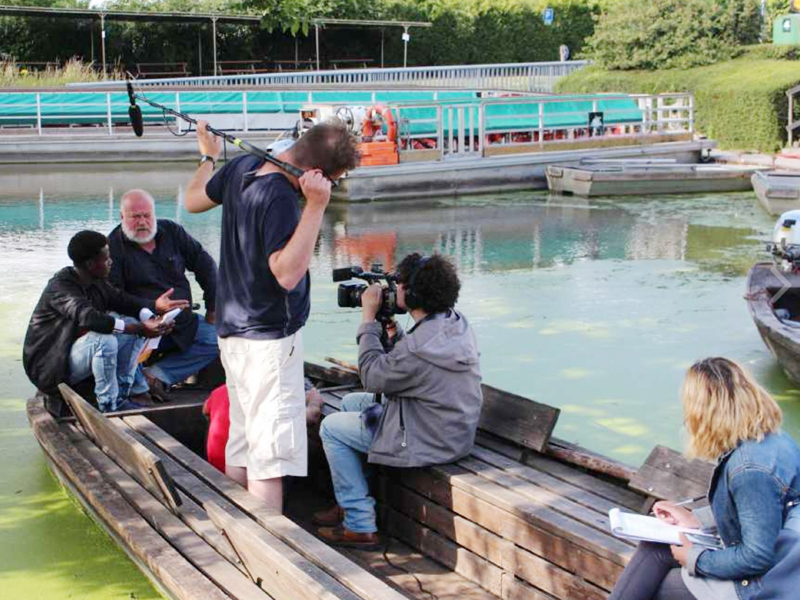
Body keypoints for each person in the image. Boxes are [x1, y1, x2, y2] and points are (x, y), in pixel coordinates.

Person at [184, 118, 359, 510]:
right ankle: (269, 554)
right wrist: (315, 206)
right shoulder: (280, 197)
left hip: (233, 332)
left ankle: (238, 534)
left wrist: (207, 157)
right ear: (316, 174)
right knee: (268, 458)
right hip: (268, 341)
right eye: (335, 180)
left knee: (242, 442)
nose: (333, 187)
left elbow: (193, 200)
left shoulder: (243, 166)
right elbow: (286, 273)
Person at [314, 253, 483, 549]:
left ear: (413, 293)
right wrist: (395, 333)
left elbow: (373, 377)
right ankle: (349, 500)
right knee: (352, 403)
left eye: (399, 284)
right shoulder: (455, 323)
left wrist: (368, 319)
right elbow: (415, 364)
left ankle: (359, 523)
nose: (395, 289)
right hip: (451, 429)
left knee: (331, 428)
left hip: (425, 440)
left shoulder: (418, 349)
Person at [608, 357, 800, 600]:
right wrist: (694, 519)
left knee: (657, 590)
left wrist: (694, 559)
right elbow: (760, 511)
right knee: (655, 547)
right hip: (780, 565)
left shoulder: (749, 469)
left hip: (767, 584)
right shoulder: (771, 439)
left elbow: (756, 557)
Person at [23, 230, 188, 415]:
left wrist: (153, 314)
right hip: (50, 368)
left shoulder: (95, 282)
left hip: (74, 355)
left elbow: (123, 300)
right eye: (106, 258)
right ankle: (109, 406)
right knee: (105, 339)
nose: (111, 262)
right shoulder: (61, 288)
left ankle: (123, 396)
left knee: (130, 324)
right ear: (91, 264)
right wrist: (140, 328)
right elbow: (89, 318)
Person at [108, 188, 219, 401]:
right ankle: (134, 383)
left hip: (182, 322)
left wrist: (213, 308)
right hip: (141, 326)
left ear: (154, 214)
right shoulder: (113, 246)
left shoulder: (172, 231)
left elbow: (206, 266)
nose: (142, 222)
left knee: (220, 338)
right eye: (135, 217)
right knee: (116, 337)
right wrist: (152, 307)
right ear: (122, 217)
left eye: (147, 215)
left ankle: (157, 375)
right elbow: (113, 296)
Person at [203, 383, 326, 474]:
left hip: (217, 466)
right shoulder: (269, 399)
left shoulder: (221, 390)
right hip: (246, 476)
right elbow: (311, 417)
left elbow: (205, 409)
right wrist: (314, 401)